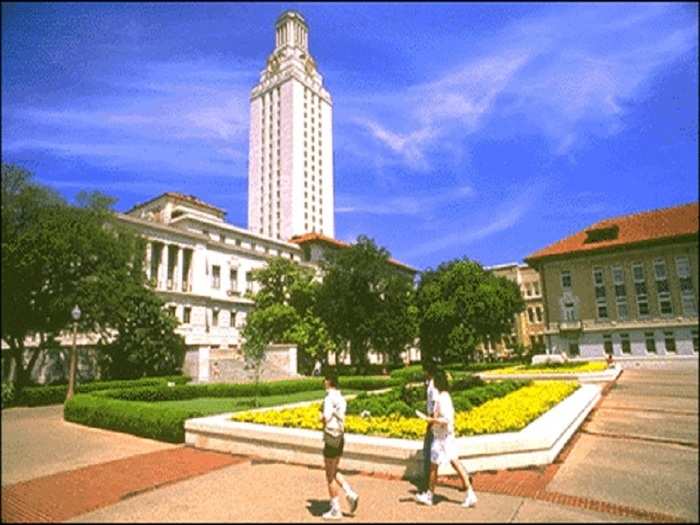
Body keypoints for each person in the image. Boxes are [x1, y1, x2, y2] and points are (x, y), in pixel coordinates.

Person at [415, 369, 477, 508]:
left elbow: (447, 419)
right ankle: (430, 496)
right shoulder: (442, 396)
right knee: (434, 466)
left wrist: (431, 420)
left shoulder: (444, 398)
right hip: (439, 437)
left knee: (454, 463)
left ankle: (469, 493)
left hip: (445, 437)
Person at [320, 370, 359, 520]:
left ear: (329, 382)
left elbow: (326, 417)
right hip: (340, 437)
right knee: (334, 469)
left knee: (329, 475)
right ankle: (350, 492)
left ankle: (336, 509)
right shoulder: (341, 398)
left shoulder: (329, 398)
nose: (324, 382)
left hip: (330, 437)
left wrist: (320, 420)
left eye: (325, 379)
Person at [416, 364, 438, 497]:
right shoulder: (431, 383)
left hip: (432, 421)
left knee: (429, 452)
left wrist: (431, 419)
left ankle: (426, 484)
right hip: (431, 420)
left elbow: (434, 403)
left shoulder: (433, 385)